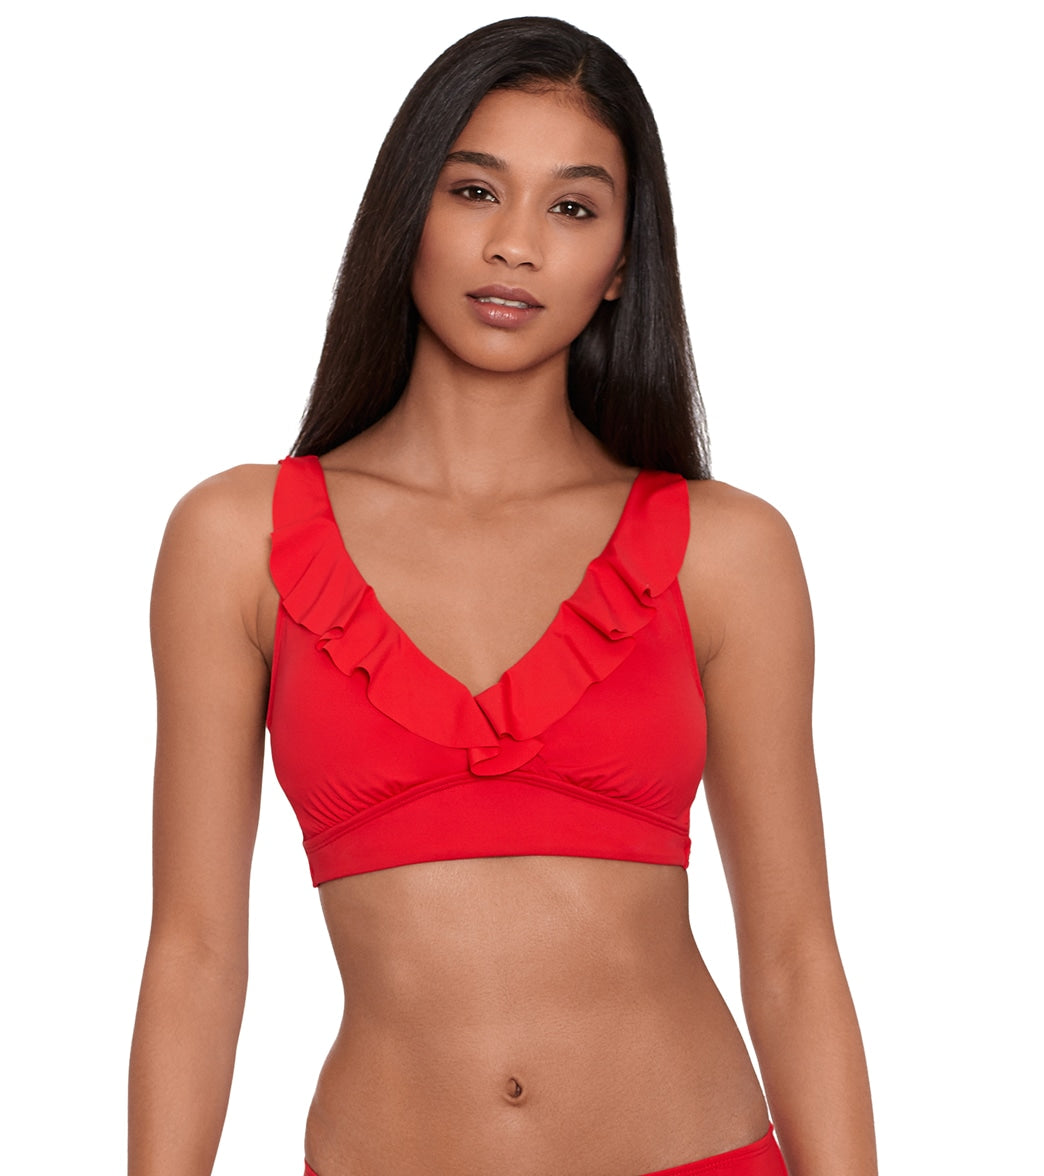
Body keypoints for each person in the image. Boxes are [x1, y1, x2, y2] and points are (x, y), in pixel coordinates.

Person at [129, 17, 876, 1176]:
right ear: (409, 214)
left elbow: (793, 956)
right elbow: (194, 955)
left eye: (573, 207)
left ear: (621, 263)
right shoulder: (237, 541)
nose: (517, 244)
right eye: (476, 190)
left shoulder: (727, 552)